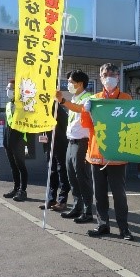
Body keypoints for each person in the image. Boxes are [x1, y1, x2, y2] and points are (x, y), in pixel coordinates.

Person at [81, 63, 134, 241]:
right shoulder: (94, 99)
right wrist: (85, 110)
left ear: (118, 77)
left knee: (120, 195)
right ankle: (102, 224)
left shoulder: (126, 99)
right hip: (96, 155)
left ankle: (124, 228)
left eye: (113, 73)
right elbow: (87, 126)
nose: (109, 76)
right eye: (105, 73)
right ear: (100, 77)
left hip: (117, 156)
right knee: (99, 194)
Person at [55, 70, 94, 223]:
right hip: (71, 142)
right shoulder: (74, 97)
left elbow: (81, 110)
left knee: (82, 177)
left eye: (71, 82)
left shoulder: (88, 98)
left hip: (82, 143)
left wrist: (63, 101)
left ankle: (88, 211)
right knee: (72, 176)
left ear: (80, 83)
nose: (68, 84)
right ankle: (77, 207)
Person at [39, 100, 70, 211]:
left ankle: (62, 200)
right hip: (48, 144)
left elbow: (66, 123)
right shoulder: (41, 108)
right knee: (51, 171)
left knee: (62, 171)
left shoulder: (56, 106)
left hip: (60, 143)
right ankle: (51, 199)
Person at [3, 79, 28, 202]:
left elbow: (27, 124)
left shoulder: (23, 105)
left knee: (21, 166)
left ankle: (22, 191)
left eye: (11, 88)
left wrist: (27, 144)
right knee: (13, 166)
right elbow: (8, 123)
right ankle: (15, 188)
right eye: (8, 88)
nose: (8, 91)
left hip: (19, 140)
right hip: (8, 140)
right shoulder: (8, 105)